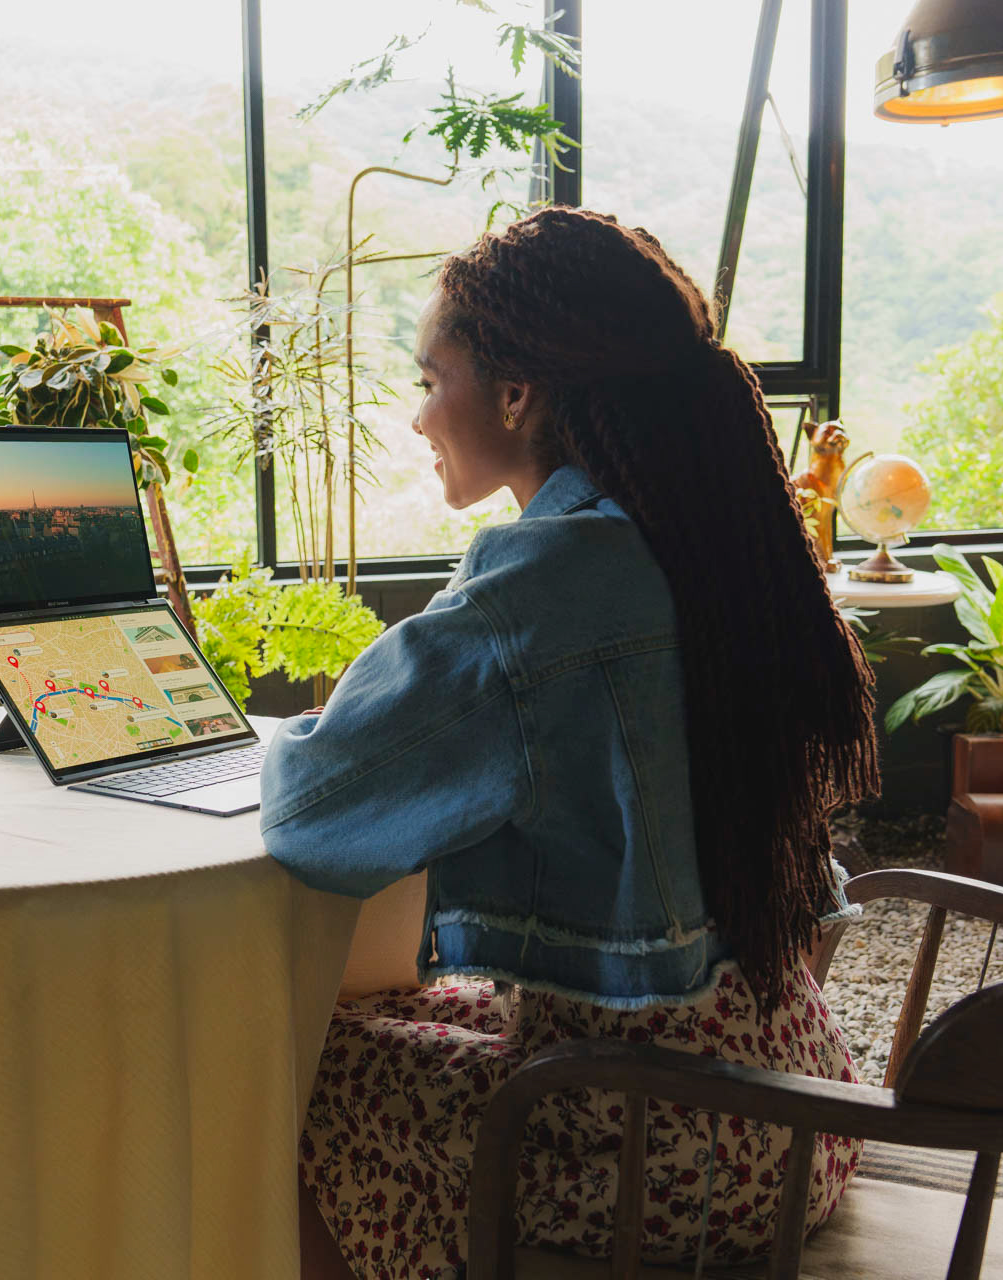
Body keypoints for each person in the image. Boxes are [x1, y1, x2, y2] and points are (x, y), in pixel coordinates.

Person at [259, 206, 878, 1280]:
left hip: (658, 1138)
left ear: (516, 393)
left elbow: (314, 814)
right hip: (793, 1100)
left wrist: (279, 735)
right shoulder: (711, 540)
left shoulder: (549, 581)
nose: (418, 416)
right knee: (395, 1009)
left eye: (429, 379)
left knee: (286, 1067)